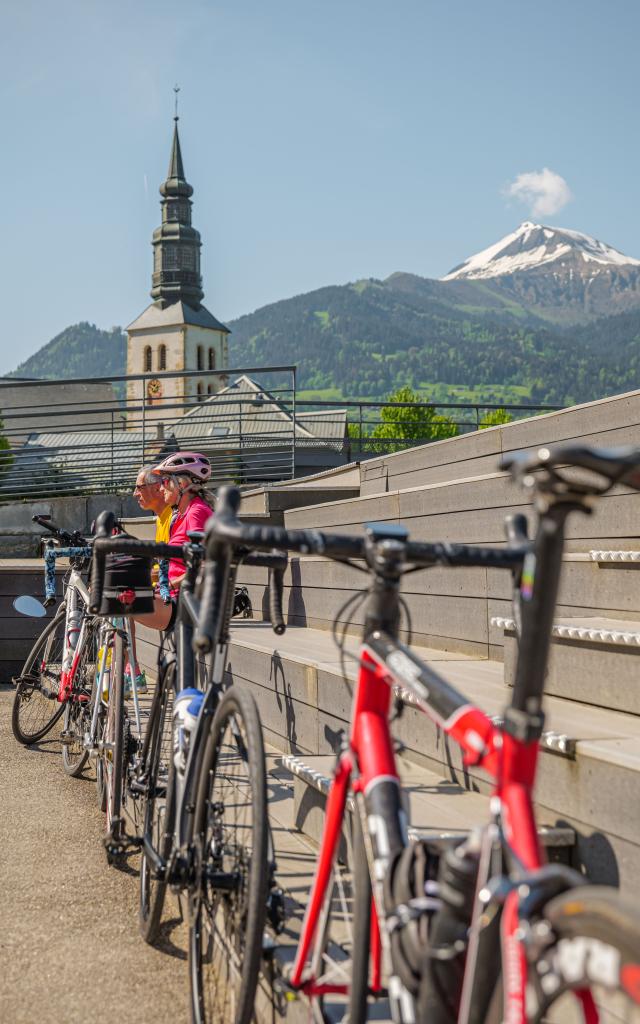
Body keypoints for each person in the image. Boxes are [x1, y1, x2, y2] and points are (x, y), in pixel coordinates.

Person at [134, 452, 215, 631]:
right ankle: (122, 658)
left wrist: (170, 584)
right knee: (113, 589)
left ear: (182, 484)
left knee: (112, 597)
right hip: (173, 597)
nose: (161, 488)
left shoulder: (196, 512)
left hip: (184, 603)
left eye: (164, 481)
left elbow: (207, 565)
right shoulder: (181, 516)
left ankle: (128, 659)